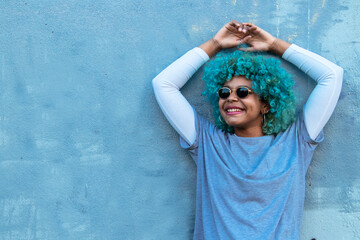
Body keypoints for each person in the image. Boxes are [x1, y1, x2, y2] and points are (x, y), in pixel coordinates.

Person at [152, 20, 343, 240]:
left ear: (266, 104)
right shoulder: (208, 143)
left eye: (243, 92)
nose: (231, 97)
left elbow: (332, 75)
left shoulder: (295, 141)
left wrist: (274, 44)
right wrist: (214, 44)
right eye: (224, 92)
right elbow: (163, 84)